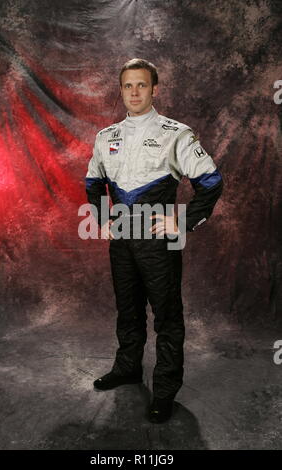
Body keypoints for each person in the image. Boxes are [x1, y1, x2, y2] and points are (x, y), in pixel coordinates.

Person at [85, 58, 223, 423]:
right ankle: (128, 368)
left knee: (166, 318)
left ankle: (164, 390)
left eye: (141, 85)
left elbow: (210, 182)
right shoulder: (105, 137)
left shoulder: (175, 133)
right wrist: (103, 217)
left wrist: (181, 220)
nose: (134, 92)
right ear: (121, 90)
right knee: (128, 311)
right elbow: (92, 182)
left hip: (159, 242)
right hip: (123, 239)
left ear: (154, 89)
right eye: (128, 86)